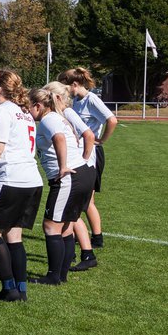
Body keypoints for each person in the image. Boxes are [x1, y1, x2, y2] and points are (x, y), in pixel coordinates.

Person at [0, 70, 43, 302]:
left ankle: (8, 288)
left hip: (12, 178)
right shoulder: (25, 112)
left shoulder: (3, 110)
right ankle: (21, 289)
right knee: (14, 234)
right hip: (32, 179)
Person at [27, 85, 96, 285]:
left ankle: (53, 276)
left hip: (69, 177)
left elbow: (59, 139)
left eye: (29, 107)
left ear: (38, 106)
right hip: (81, 174)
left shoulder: (49, 120)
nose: (27, 111)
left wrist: (63, 166)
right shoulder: (59, 117)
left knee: (50, 226)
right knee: (66, 227)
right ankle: (61, 275)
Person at [59, 67, 118, 248]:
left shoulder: (92, 99)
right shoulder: (77, 101)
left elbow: (112, 120)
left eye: (66, 86)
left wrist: (102, 140)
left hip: (92, 153)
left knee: (86, 201)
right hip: (81, 152)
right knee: (82, 199)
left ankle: (97, 238)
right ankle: (82, 235)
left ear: (75, 84)